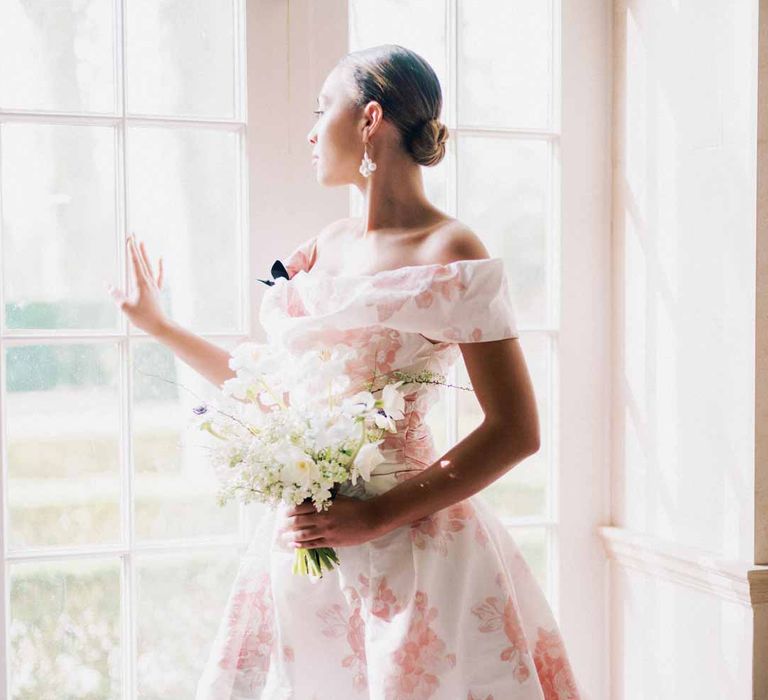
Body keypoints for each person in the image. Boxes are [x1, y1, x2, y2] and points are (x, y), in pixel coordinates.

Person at [109, 44, 583, 700]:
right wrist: (160, 326)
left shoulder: (452, 250)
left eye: (321, 107)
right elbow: (271, 394)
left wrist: (378, 515)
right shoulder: (324, 248)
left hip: (417, 554)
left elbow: (516, 430)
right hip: (307, 554)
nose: (309, 130)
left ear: (370, 120)